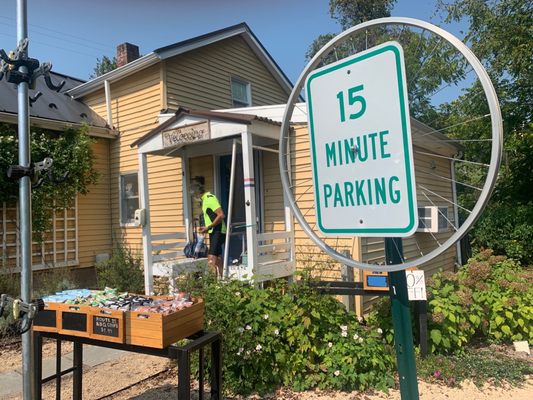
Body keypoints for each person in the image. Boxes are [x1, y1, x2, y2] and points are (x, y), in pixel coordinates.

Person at [191, 179, 226, 277]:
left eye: (194, 195)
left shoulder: (210, 198)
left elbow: (221, 215)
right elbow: (211, 216)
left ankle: (212, 285)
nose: (194, 197)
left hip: (218, 230)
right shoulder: (205, 200)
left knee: (211, 259)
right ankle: (222, 279)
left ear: (198, 192)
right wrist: (206, 228)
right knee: (217, 257)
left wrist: (209, 227)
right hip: (214, 231)